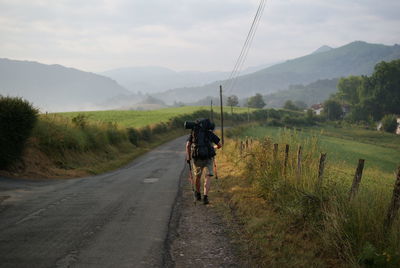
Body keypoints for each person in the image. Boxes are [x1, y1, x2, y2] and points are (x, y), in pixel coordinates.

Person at [186, 121, 222, 205]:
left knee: (198, 177)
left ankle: (198, 194)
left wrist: (188, 157)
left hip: (197, 157)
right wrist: (213, 147)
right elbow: (219, 145)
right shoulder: (210, 134)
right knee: (208, 176)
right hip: (208, 157)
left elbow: (188, 145)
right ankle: (205, 197)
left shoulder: (194, 133)